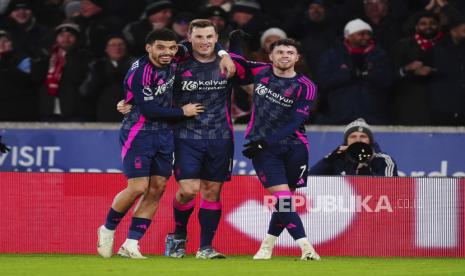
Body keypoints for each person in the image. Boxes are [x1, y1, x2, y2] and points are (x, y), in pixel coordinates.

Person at [96, 28, 204, 259]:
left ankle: (131, 244)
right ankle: (107, 228)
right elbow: (149, 109)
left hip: (165, 134)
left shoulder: (176, 56)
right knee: (137, 187)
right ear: (148, 48)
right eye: (161, 47)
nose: (168, 52)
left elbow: (199, 41)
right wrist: (182, 112)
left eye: (172, 48)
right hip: (139, 132)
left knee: (157, 189)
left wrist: (224, 53)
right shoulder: (141, 72)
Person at [165, 19, 248, 259]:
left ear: (216, 38)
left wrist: (226, 53)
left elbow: (254, 80)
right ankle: (179, 234)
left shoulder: (229, 64)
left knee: (212, 192)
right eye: (199, 37)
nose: (204, 42)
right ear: (189, 38)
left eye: (209, 37)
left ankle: (205, 247)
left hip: (220, 137)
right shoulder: (179, 60)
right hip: (185, 135)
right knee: (189, 191)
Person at [233, 38, 320, 260]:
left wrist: (265, 141)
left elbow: (294, 123)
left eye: (290, 52)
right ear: (270, 56)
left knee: (286, 202)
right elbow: (236, 64)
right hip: (264, 150)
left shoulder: (306, 87)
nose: (284, 56)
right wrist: (233, 42)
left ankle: (266, 246)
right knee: (282, 199)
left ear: (296, 58)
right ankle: (307, 248)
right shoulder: (261, 72)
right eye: (279, 52)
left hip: (295, 147)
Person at [317, 18, 392, 124]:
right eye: (361, 34)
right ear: (348, 35)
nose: (366, 37)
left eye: (368, 34)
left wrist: (367, 74)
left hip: (372, 116)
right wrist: (349, 74)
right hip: (340, 116)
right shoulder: (333, 55)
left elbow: (387, 80)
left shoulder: (379, 55)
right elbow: (323, 81)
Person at [390, 11, 442, 125]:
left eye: (432, 23)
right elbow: (390, 74)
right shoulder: (402, 45)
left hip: (441, 106)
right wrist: (407, 69)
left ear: (438, 26)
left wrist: (433, 71)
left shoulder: (446, 44)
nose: (428, 26)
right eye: (423, 23)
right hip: (409, 105)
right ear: (416, 27)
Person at [309, 118, 398, 176]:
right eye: (353, 137)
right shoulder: (337, 159)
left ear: (370, 141)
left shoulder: (384, 160)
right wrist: (329, 159)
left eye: (363, 136)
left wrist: (370, 162)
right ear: (346, 141)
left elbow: (389, 189)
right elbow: (307, 181)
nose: (358, 140)